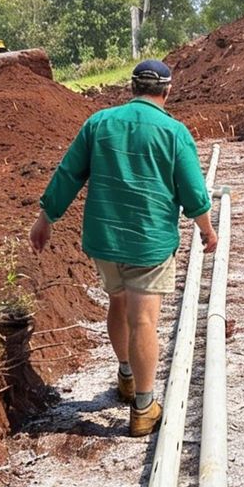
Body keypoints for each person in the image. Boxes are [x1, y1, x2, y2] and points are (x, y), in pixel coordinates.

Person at [29, 59, 217, 436]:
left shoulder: (98, 124)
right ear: (166, 90)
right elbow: (193, 192)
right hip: (148, 242)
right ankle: (144, 408)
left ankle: (127, 376)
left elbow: (68, 173)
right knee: (144, 319)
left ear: (131, 87)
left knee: (117, 303)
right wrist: (207, 230)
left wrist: (45, 219)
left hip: (104, 240)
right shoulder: (174, 132)